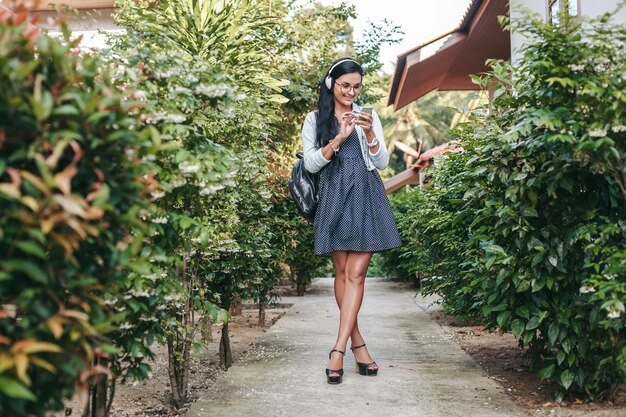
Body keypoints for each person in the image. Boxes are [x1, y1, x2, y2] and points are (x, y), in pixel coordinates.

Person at [301, 57, 402, 384]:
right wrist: (339, 138)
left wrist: (369, 132)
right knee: (342, 273)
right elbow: (312, 165)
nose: (351, 91)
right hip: (334, 195)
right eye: (346, 85)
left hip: (366, 194)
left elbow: (382, 161)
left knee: (356, 273)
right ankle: (359, 345)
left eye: (357, 86)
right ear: (333, 84)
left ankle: (338, 350)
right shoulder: (315, 119)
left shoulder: (366, 116)